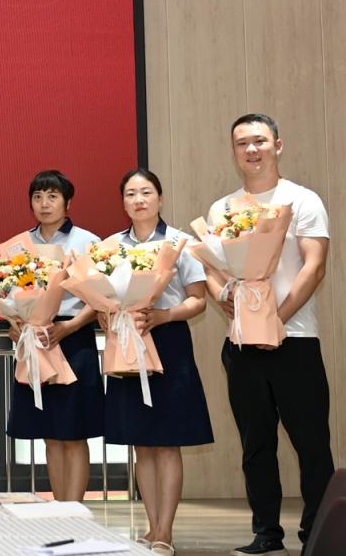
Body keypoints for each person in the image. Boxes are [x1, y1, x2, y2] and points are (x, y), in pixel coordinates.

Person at [205, 114, 332, 556]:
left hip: (295, 339)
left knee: (311, 443)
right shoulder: (222, 209)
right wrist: (223, 295)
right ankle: (266, 533)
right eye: (242, 143)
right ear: (234, 151)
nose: (251, 149)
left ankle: (318, 534)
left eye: (259, 140)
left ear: (278, 145)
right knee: (255, 444)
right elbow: (212, 267)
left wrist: (277, 318)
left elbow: (315, 266)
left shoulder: (303, 199)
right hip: (241, 344)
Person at [105, 168, 212, 556]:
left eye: (146, 192)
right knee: (141, 442)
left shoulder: (181, 242)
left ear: (160, 198)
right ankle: (151, 528)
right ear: (123, 202)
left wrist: (164, 316)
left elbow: (198, 299)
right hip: (128, 342)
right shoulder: (110, 248)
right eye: (131, 193)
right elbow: (101, 298)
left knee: (167, 442)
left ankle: (166, 530)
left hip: (168, 340)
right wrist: (109, 316)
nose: (139, 200)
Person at [4, 169, 102, 502]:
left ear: (67, 202)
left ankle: (75, 509)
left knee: (74, 432)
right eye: (38, 197)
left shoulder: (87, 242)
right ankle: (59, 507)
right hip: (36, 339)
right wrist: (17, 324)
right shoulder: (20, 246)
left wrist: (69, 327)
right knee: (50, 432)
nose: (44, 204)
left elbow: (100, 299)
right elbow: (7, 293)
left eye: (52, 196)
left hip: (73, 337)